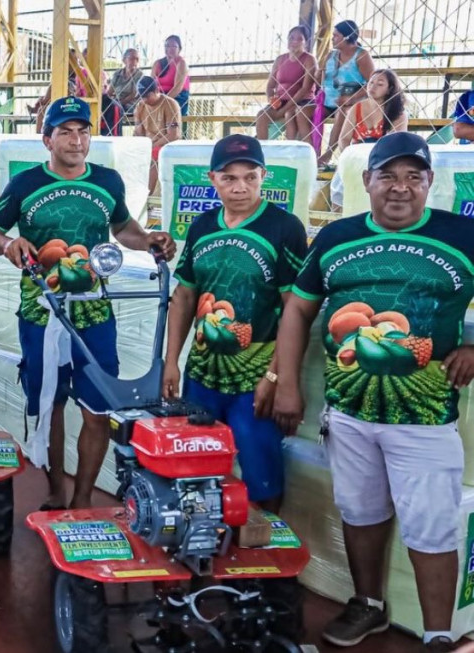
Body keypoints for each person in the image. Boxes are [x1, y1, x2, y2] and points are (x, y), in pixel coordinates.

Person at [273, 132, 474, 652]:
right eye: (388, 175)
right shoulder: (337, 236)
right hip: (349, 415)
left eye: (414, 176)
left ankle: (434, 636)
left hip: (426, 416)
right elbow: (298, 308)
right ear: (367, 182)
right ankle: (369, 605)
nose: (400, 188)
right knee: (360, 512)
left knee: (431, 527)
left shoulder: (463, 234)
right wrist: (286, 383)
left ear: (430, 182)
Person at [0, 96, 176, 510]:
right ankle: (54, 492)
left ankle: (83, 500)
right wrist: (9, 243)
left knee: (98, 407)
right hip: (40, 311)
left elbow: (123, 228)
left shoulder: (108, 181)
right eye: (65, 132)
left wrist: (148, 240)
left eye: (82, 131)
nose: (75, 140)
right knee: (51, 401)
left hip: (94, 312)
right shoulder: (25, 184)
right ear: (46, 139)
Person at [163, 135, 307, 514]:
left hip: (255, 379)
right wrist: (170, 361)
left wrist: (275, 378)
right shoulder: (202, 225)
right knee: (196, 467)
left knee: (261, 475)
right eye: (229, 178)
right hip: (202, 375)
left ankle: (258, 559)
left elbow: (294, 310)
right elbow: (185, 296)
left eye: (250, 177)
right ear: (213, 179)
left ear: (264, 176)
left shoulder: (284, 227)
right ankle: (203, 551)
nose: (240, 187)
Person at [328, 69, 408, 212]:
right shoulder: (356, 108)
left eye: (380, 84)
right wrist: (348, 158)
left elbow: (397, 144)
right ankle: (337, 220)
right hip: (356, 159)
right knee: (339, 190)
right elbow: (344, 138)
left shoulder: (398, 114)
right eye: (371, 83)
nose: (373, 87)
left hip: (384, 162)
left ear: (389, 89)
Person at [313, 20, 375, 165]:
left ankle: (327, 155)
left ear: (347, 37)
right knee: (301, 112)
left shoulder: (361, 56)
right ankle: (312, 152)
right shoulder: (331, 56)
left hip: (350, 103)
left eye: (336, 35)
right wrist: (318, 74)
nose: (333, 39)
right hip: (328, 102)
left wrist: (351, 98)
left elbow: (371, 83)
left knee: (342, 112)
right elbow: (321, 80)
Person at [256, 26, 317, 142]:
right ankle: (262, 150)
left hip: (301, 101)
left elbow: (305, 89)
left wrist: (282, 111)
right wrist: (272, 100)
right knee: (261, 115)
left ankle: (291, 151)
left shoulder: (309, 59)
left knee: (289, 115)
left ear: (306, 42)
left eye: (299, 39)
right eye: (291, 38)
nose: (294, 42)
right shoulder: (280, 59)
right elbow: (270, 86)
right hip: (281, 101)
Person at [133, 76, 182, 194]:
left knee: (153, 156)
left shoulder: (170, 104)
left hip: (165, 144)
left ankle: (147, 195)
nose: (144, 100)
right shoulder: (140, 106)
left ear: (156, 91)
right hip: (147, 143)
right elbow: (138, 132)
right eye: (142, 96)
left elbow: (173, 135)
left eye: (147, 96)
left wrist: (151, 145)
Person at [151, 35, 190, 118]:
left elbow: (177, 88)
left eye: (174, 46)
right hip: (159, 95)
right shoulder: (157, 63)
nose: (170, 48)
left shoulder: (181, 63)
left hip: (177, 97)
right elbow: (151, 84)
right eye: (167, 46)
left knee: (165, 112)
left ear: (179, 49)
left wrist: (162, 102)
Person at [108, 48, 144, 115]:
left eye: (137, 59)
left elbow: (134, 94)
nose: (135, 61)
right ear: (124, 60)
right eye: (132, 58)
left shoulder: (139, 74)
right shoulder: (117, 73)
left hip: (131, 104)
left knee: (114, 110)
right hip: (117, 101)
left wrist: (118, 103)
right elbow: (110, 91)